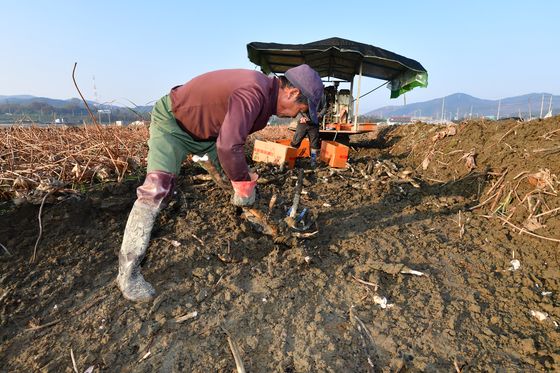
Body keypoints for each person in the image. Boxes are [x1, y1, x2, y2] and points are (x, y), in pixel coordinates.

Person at [117, 64, 324, 302]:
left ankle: (258, 220)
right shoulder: (254, 91)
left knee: (238, 176)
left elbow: (228, 142)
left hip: (209, 138)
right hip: (173, 124)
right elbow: (228, 146)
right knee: (156, 190)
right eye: (301, 109)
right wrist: (243, 183)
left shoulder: (265, 104)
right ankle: (128, 274)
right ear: (292, 93)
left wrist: (241, 179)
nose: (298, 115)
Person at [289, 92, 327, 167]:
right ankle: (290, 161)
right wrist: (300, 117)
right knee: (295, 142)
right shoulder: (302, 93)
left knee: (314, 144)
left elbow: (325, 107)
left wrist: (319, 115)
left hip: (314, 123)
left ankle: (313, 163)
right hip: (302, 123)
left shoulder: (321, 95)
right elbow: (296, 106)